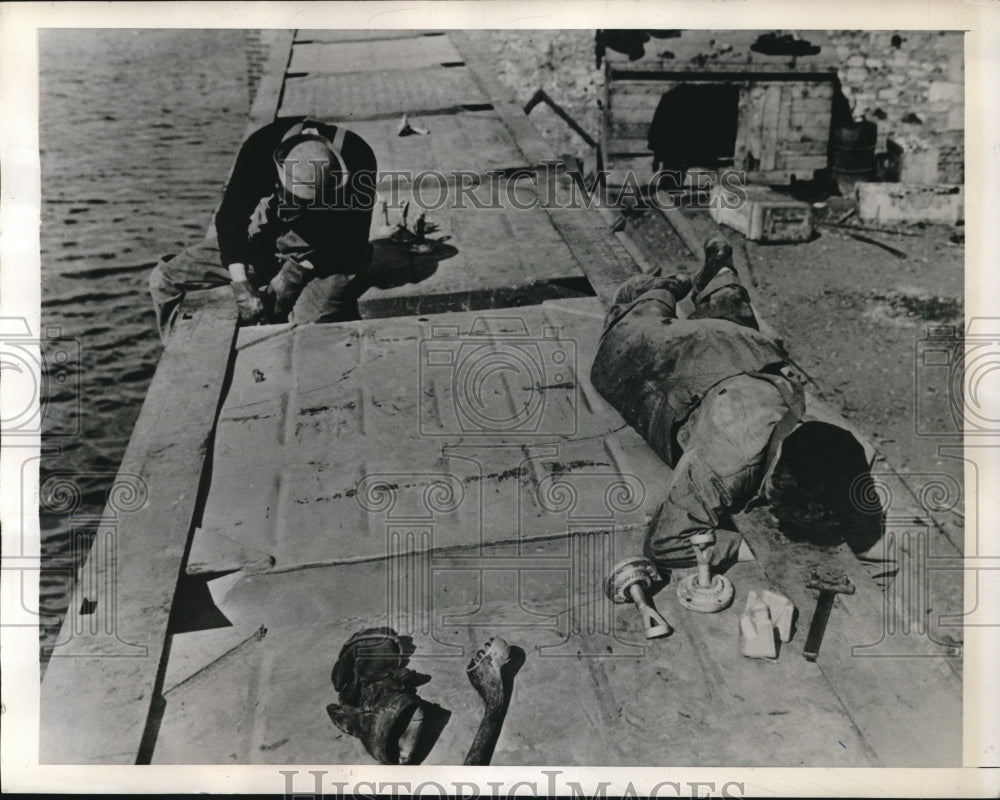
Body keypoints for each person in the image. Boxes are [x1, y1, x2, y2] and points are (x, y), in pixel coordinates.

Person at [590, 237, 889, 577]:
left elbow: (858, 479)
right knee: (619, 349)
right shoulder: (728, 460)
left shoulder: (844, 445)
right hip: (683, 357)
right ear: (774, 487)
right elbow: (666, 543)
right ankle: (660, 290)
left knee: (734, 322)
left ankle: (720, 279)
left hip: (750, 352)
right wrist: (750, 548)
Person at [149, 117, 377, 340]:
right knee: (164, 279)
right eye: (293, 198)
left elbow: (352, 239)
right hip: (273, 233)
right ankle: (182, 359)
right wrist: (241, 285)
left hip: (328, 249)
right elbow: (231, 219)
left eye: (308, 201)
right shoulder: (260, 148)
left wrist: (295, 274)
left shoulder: (358, 158)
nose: (299, 206)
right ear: (278, 178)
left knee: (307, 332)